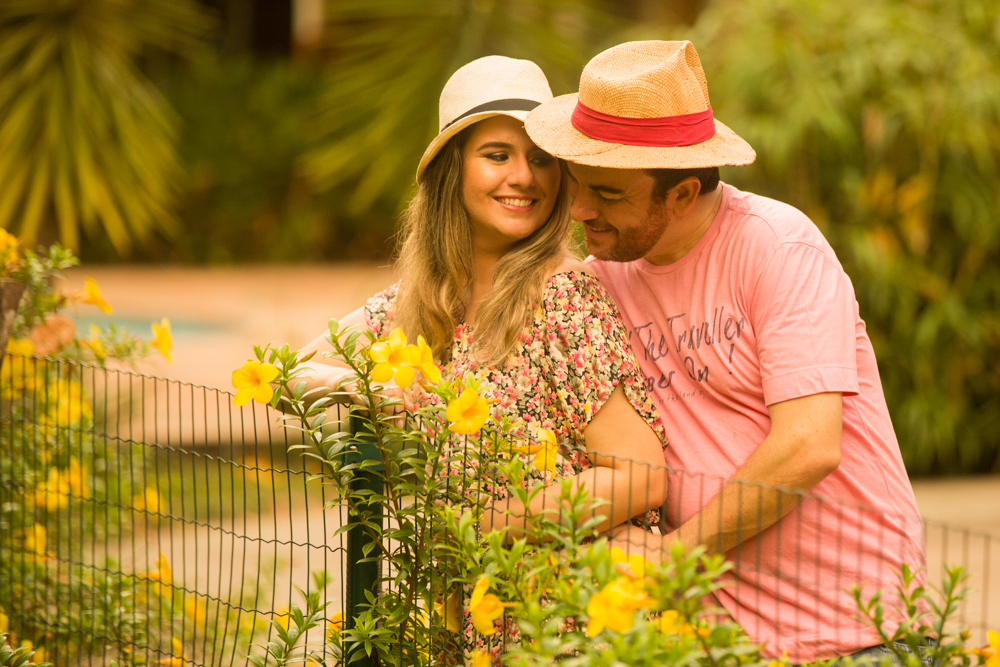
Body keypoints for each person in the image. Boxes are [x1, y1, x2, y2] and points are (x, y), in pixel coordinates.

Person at [524, 40, 927, 663]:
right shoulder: (601, 280)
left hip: (859, 633)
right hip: (721, 644)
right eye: (578, 185)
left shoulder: (778, 248)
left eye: (607, 194)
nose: (580, 209)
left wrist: (673, 557)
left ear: (683, 194)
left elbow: (809, 444)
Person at [297, 55, 669, 655]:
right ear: (452, 171)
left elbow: (642, 476)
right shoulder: (420, 305)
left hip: (571, 620)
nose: (525, 176)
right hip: (473, 617)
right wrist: (364, 384)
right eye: (498, 155)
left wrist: (485, 529)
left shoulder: (562, 297)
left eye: (542, 159)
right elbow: (291, 375)